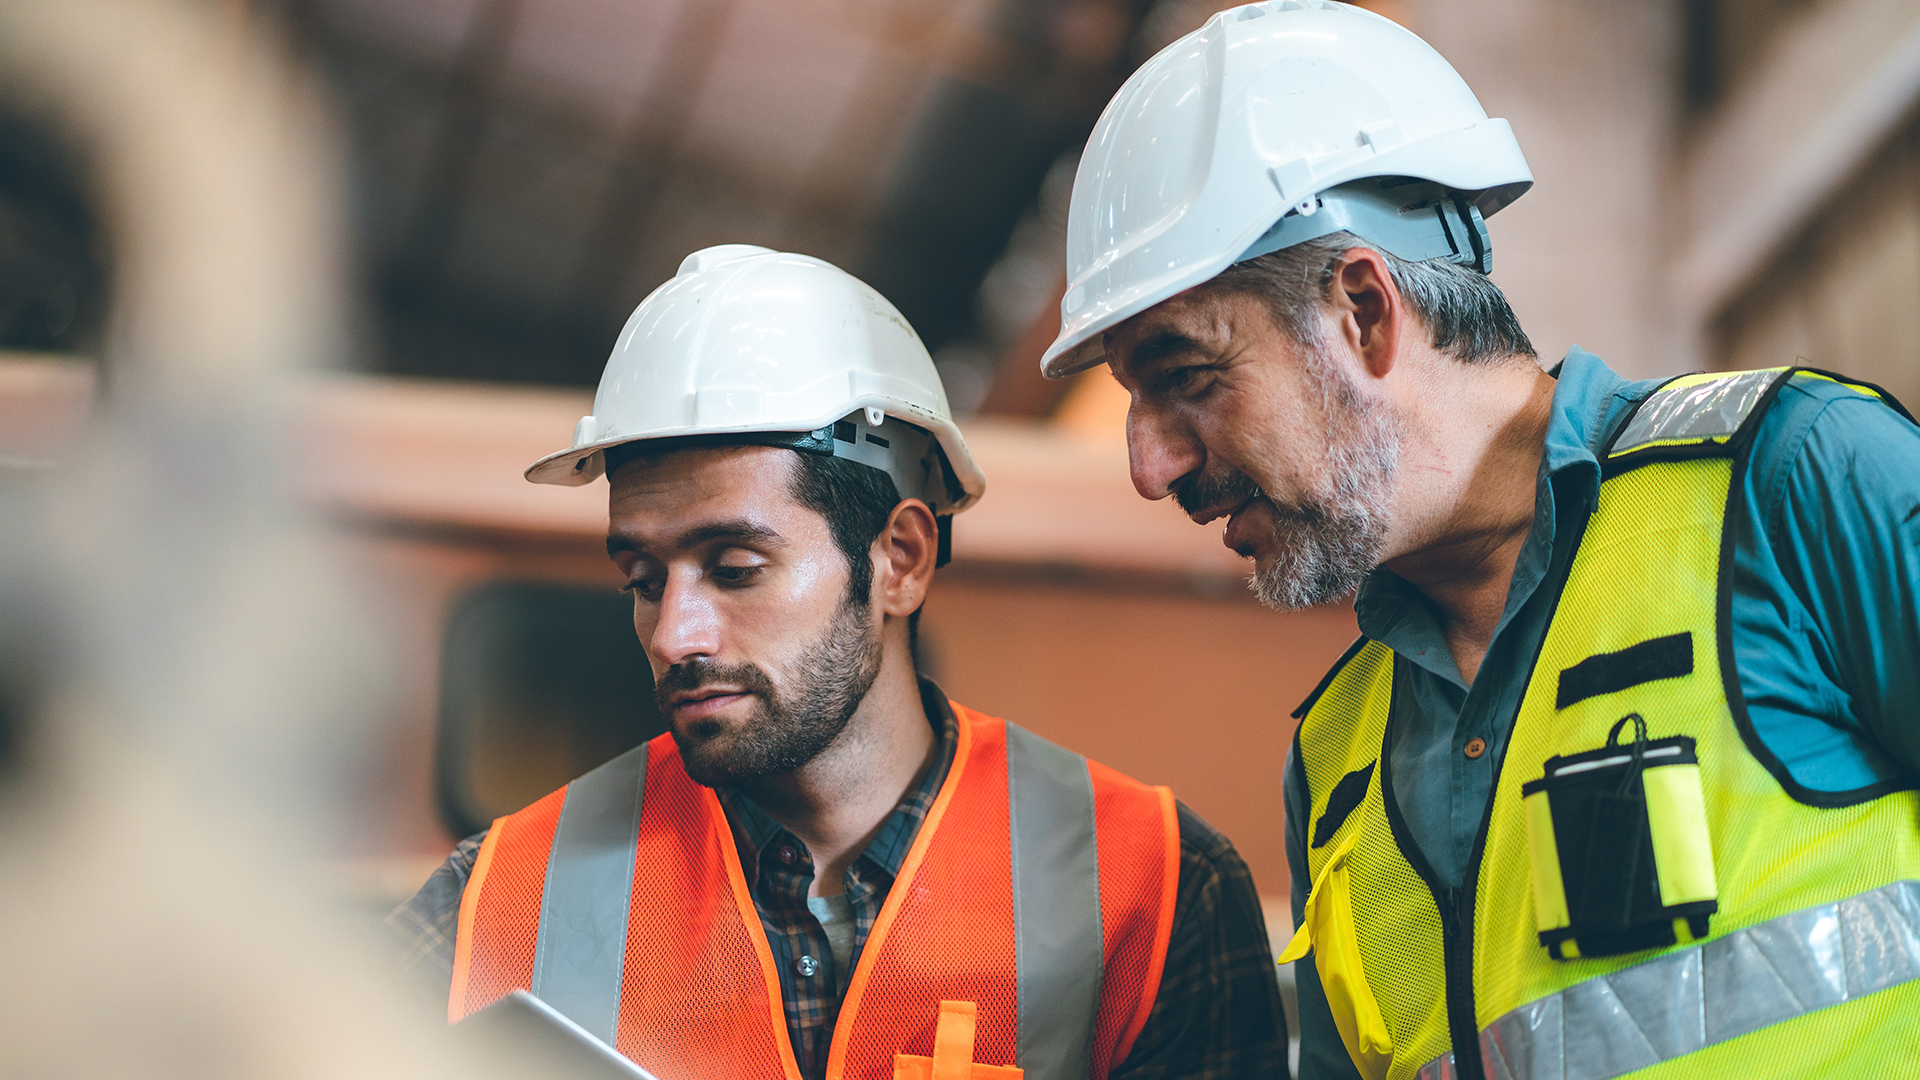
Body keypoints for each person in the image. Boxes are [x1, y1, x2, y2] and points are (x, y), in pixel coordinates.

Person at [1037, 4, 1920, 1080]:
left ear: (1364, 309)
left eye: (1185, 376)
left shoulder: (1792, 485)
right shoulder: (1336, 764)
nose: (1149, 465)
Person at [387, 245, 1288, 1080]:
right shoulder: (498, 900)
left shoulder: (1157, 891)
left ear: (899, 558)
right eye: (643, 579)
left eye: (735, 569)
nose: (674, 634)